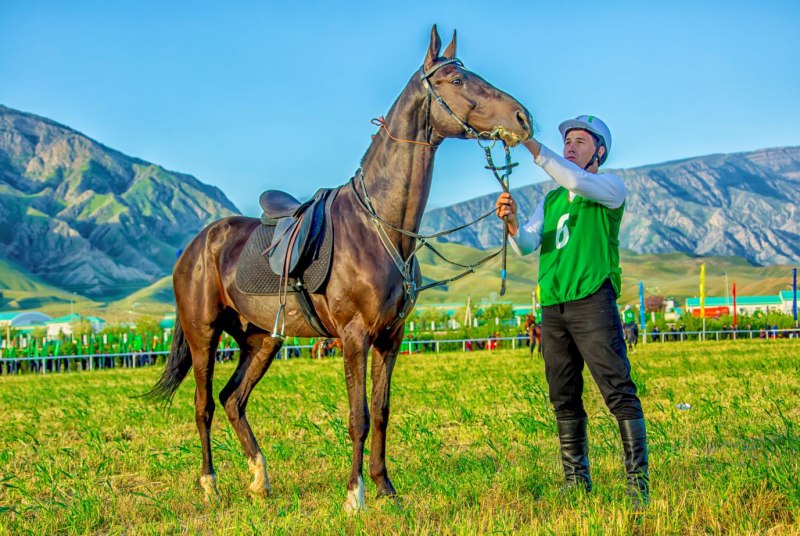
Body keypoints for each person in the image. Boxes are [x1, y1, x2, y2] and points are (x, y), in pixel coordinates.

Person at [495, 115, 649, 507]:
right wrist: (512, 222)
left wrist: (530, 145)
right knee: (563, 395)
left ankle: (637, 484)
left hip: (592, 299)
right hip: (554, 306)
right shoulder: (551, 200)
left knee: (617, 389)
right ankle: (576, 480)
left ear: (599, 152)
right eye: (566, 140)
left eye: (580, 141)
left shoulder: (609, 187)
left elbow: (576, 180)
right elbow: (527, 245)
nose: (569, 145)